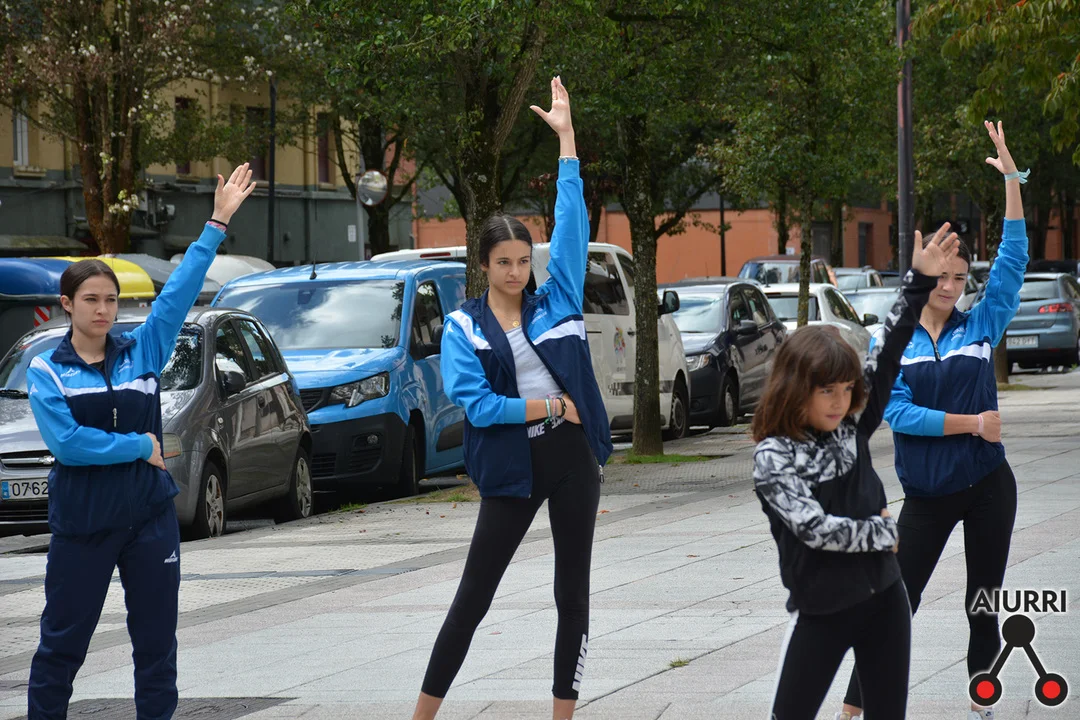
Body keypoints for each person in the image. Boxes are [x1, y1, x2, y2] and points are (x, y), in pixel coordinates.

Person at [411, 76, 612, 720]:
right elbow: (478, 407)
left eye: (523, 261)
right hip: (509, 464)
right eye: (504, 262)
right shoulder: (463, 326)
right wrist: (550, 406)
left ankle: (563, 714)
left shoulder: (558, 300)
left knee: (572, 595)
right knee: (473, 597)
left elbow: (573, 222)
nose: (516, 272)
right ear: (484, 265)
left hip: (571, 458)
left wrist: (567, 142)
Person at [25, 164, 256, 719]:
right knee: (62, 647)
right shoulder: (46, 370)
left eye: (110, 300)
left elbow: (178, 292)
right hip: (83, 523)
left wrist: (217, 222)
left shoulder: (143, 349)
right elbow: (70, 445)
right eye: (91, 300)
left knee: (156, 648)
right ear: (67, 304)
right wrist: (138, 446)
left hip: (150, 520)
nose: (103, 309)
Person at [837, 122, 1027, 720]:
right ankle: (853, 706)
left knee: (983, 603)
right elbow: (897, 413)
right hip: (927, 495)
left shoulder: (982, 324)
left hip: (989, 486)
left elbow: (1014, 260)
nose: (948, 287)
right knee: (894, 600)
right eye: (939, 276)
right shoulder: (893, 339)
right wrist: (972, 424)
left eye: (958, 278)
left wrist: (1012, 179)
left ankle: (982, 701)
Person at [753, 225, 961, 720]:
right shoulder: (774, 456)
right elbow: (814, 529)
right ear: (794, 388)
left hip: (886, 601)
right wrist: (881, 532)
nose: (839, 401)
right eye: (827, 391)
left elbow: (888, 350)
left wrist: (918, 281)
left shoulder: (850, 425)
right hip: (822, 611)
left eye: (846, 389)